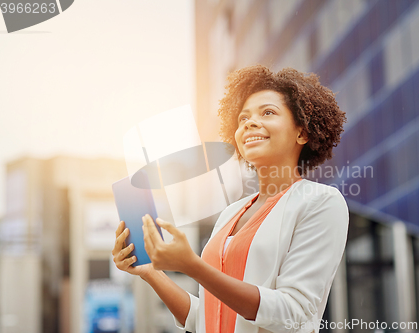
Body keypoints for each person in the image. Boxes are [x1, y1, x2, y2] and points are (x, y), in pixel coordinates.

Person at [112, 65, 349, 333]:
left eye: (268, 112)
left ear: (302, 133)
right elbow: (207, 317)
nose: (249, 123)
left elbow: (291, 313)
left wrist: (193, 266)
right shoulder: (230, 214)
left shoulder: (321, 202)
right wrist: (150, 272)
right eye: (242, 118)